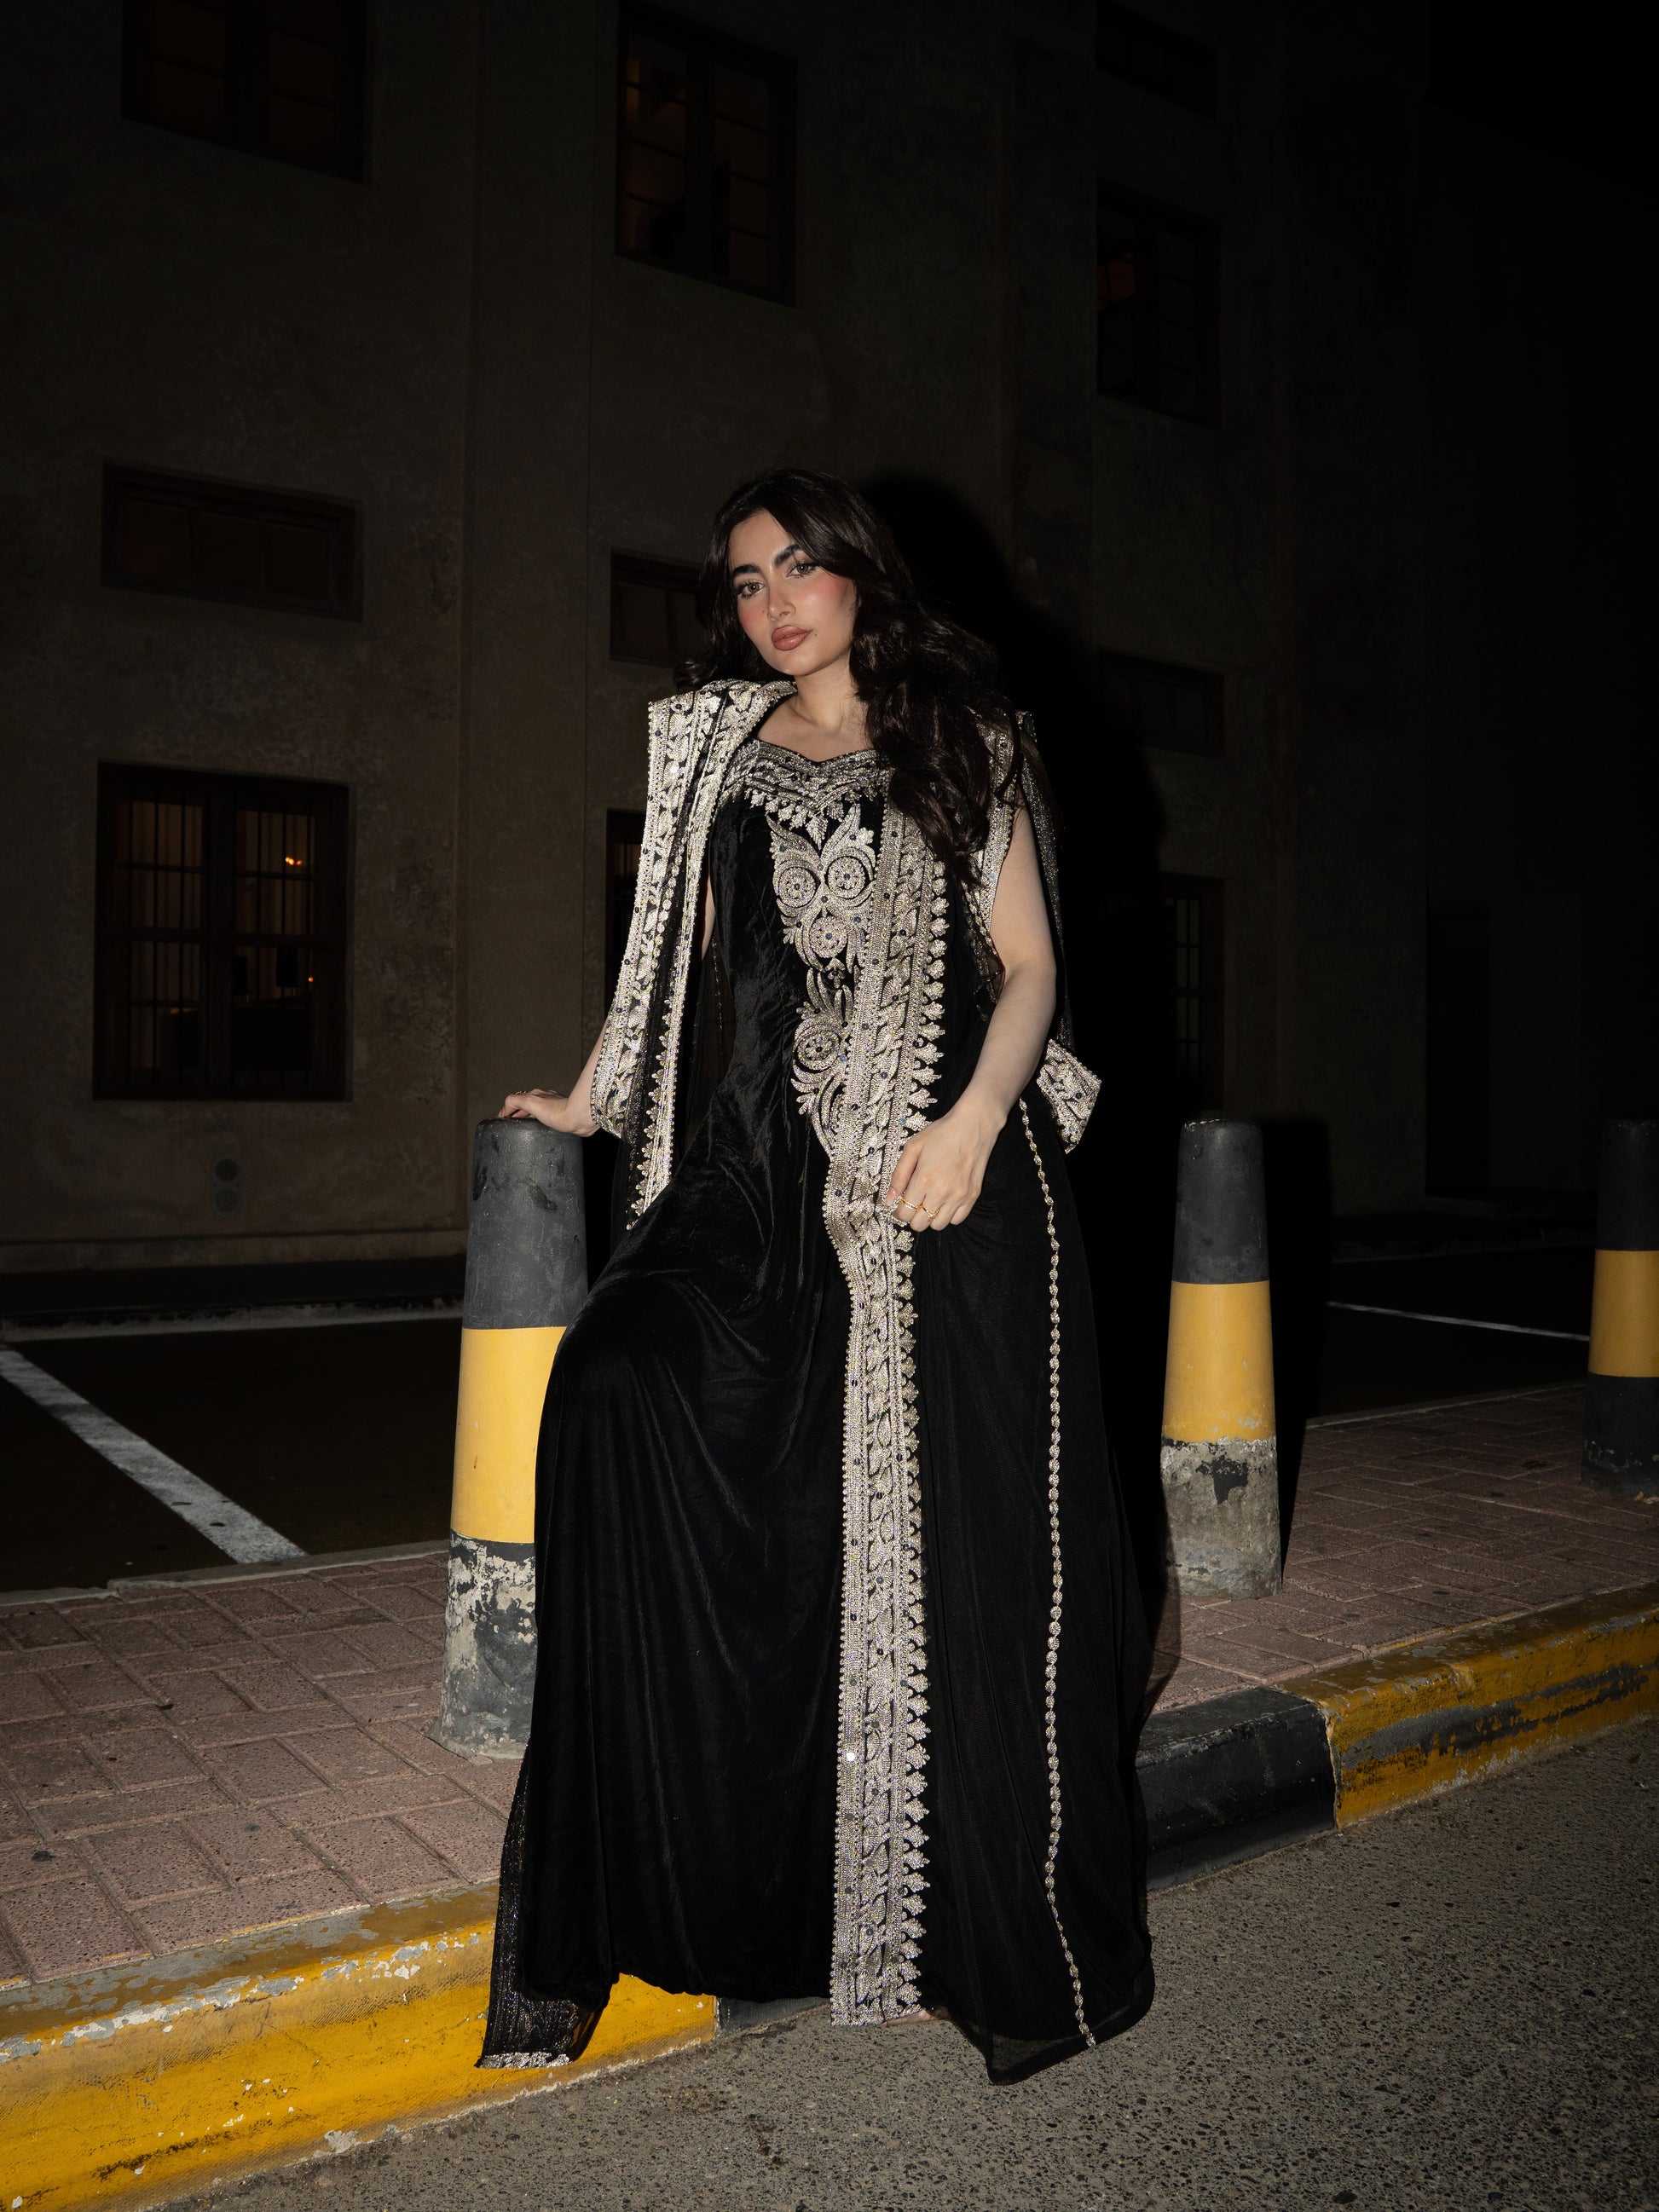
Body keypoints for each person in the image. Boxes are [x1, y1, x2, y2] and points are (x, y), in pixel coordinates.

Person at [478, 470, 1153, 2086]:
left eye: (798, 569)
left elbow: (1032, 967)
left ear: (860, 575)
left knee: (946, 1549)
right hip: (754, 1172)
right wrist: (589, 1102)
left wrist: (973, 1125)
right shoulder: (716, 747)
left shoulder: (967, 738)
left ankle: (952, 1934)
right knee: (618, 1383)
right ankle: (707, 1873)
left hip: (941, 1161)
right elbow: (668, 962)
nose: (773, 604)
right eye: (743, 582)